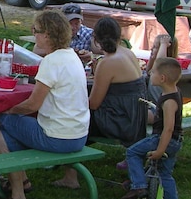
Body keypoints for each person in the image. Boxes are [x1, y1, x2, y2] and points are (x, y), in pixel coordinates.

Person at [0, 8, 90, 199]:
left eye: (35, 30)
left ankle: (17, 190)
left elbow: (32, 105)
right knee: (2, 137)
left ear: (47, 35)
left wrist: (10, 110)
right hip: (79, 135)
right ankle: (20, 187)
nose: (33, 34)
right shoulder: (72, 57)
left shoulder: (51, 61)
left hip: (57, 137)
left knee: (1, 120)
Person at [52, 16, 147, 189]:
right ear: (119, 36)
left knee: (72, 123)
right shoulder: (128, 53)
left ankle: (70, 176)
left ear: (95, 40)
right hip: (136, 116)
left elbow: (94, 104)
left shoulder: (108, 62)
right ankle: (67, 164)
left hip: (121, 121)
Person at [121, 57, 184, 199]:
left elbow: (168, 129)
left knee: (132, 152)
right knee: (165, 175)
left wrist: (159, 150)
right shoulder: (172, 92)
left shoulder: (169, 101)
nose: (150, 73)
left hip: (164, 140)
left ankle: (139, 185)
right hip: (176, 141)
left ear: (162, 78)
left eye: (154, 71)